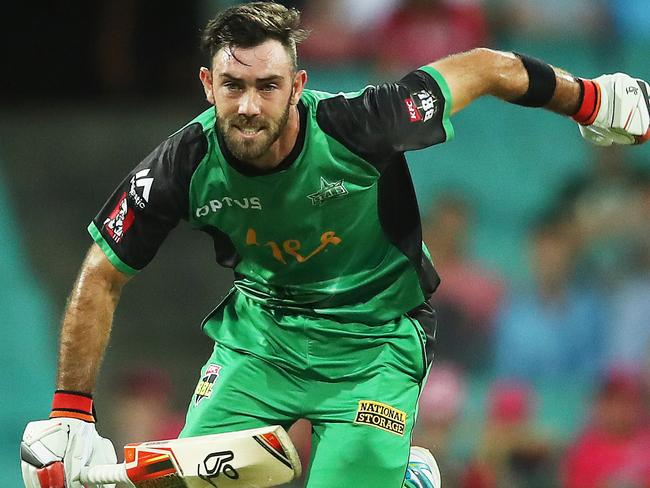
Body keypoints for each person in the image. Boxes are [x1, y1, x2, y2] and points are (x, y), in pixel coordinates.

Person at [19, 2, 650, 488]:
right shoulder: (182, 163)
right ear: (207, 86)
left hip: (374, 344)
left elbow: (487, 68)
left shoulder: (364, 124)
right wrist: (69, 413)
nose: (248, 106)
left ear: (297, 86)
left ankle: (402, 471)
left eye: (267, 86)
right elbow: (103, 271)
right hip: (261, 340)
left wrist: (590, 99)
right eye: (232, 87)